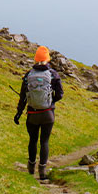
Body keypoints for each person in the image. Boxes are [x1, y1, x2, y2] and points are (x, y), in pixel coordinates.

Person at [14, 46, 64, 180]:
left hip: (32, 114)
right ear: (47, 59)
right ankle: (42, 172)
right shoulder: (53, 74)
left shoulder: (29, 75)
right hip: (48, 114)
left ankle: (31, 168)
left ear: (36, 59)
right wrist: (51, 101)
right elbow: (60, 94)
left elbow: (23, 97)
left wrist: (18, 113)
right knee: (44, 142)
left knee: (33, 140)